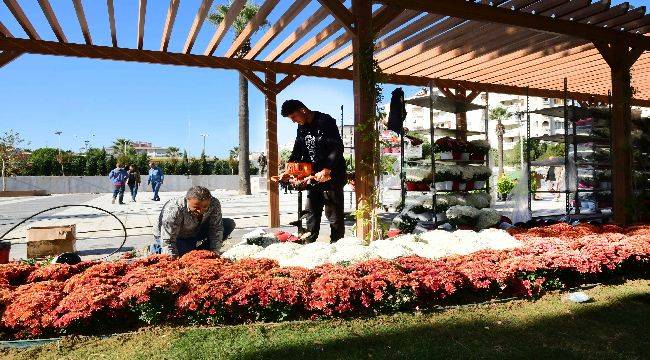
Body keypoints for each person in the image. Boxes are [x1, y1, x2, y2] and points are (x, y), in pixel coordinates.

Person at [279, 100, 346, 243]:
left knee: (334, 216)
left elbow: (337, 148)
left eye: (293, 117)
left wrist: (327, 169)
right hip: (314, 176)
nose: (293, 121)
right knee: (311, 213)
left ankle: (338, 247)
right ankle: (309, 246)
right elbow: (297, 151)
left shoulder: (325, 121)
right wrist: (288, 171)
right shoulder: (301, 127)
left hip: (332, 175)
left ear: (303, 110)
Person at [151, 186, 236, 257]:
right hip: (171, 235)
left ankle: (201, 253)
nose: (200, 211)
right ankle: (156, 249)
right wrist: (174, 263)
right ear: (188, 200)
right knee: (181, 255)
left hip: (194, 230)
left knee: (228, 224)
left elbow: (216, 229)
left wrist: (214, 253)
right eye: (196, 207)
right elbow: (168, 240)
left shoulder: (214, 203)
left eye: (205, 207)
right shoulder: (174, 209)